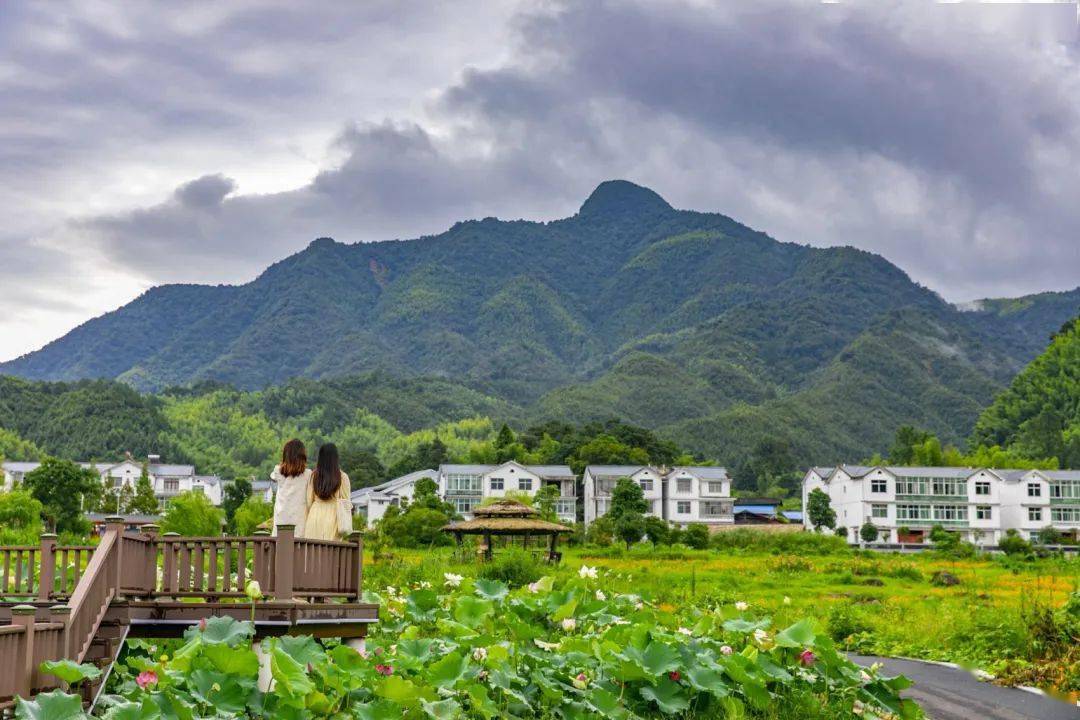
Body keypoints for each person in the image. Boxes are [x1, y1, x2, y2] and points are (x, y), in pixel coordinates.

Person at [304, 443, 353, 540]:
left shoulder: (313, 476)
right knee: (331, 552)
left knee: (312, 551)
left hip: (314, 515)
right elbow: (346, 502)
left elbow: (309, 501)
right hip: (333, 517)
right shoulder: (342, 477)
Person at [270, 439, 312, 537]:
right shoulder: (308, 475)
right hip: (299, 525)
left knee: (280, 550)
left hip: (280, 524)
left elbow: (272, 476)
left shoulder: (278, 472)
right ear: (302, 456)